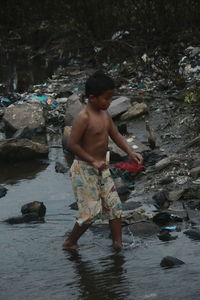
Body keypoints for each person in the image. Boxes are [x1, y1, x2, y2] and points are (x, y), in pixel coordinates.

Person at [62, 70, 143, 251]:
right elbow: (72, 144)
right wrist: (93, 161)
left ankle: (118, 244)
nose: (109, 102)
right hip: (84, 170)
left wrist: (131, 152)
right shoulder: (84, 118)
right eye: (106, 98)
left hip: (102, 169)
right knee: (90, 213)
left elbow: (115, 134)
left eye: (111, 98)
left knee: (115, 207)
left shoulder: (104, 114)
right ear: (92, 98)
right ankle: (70, 242)